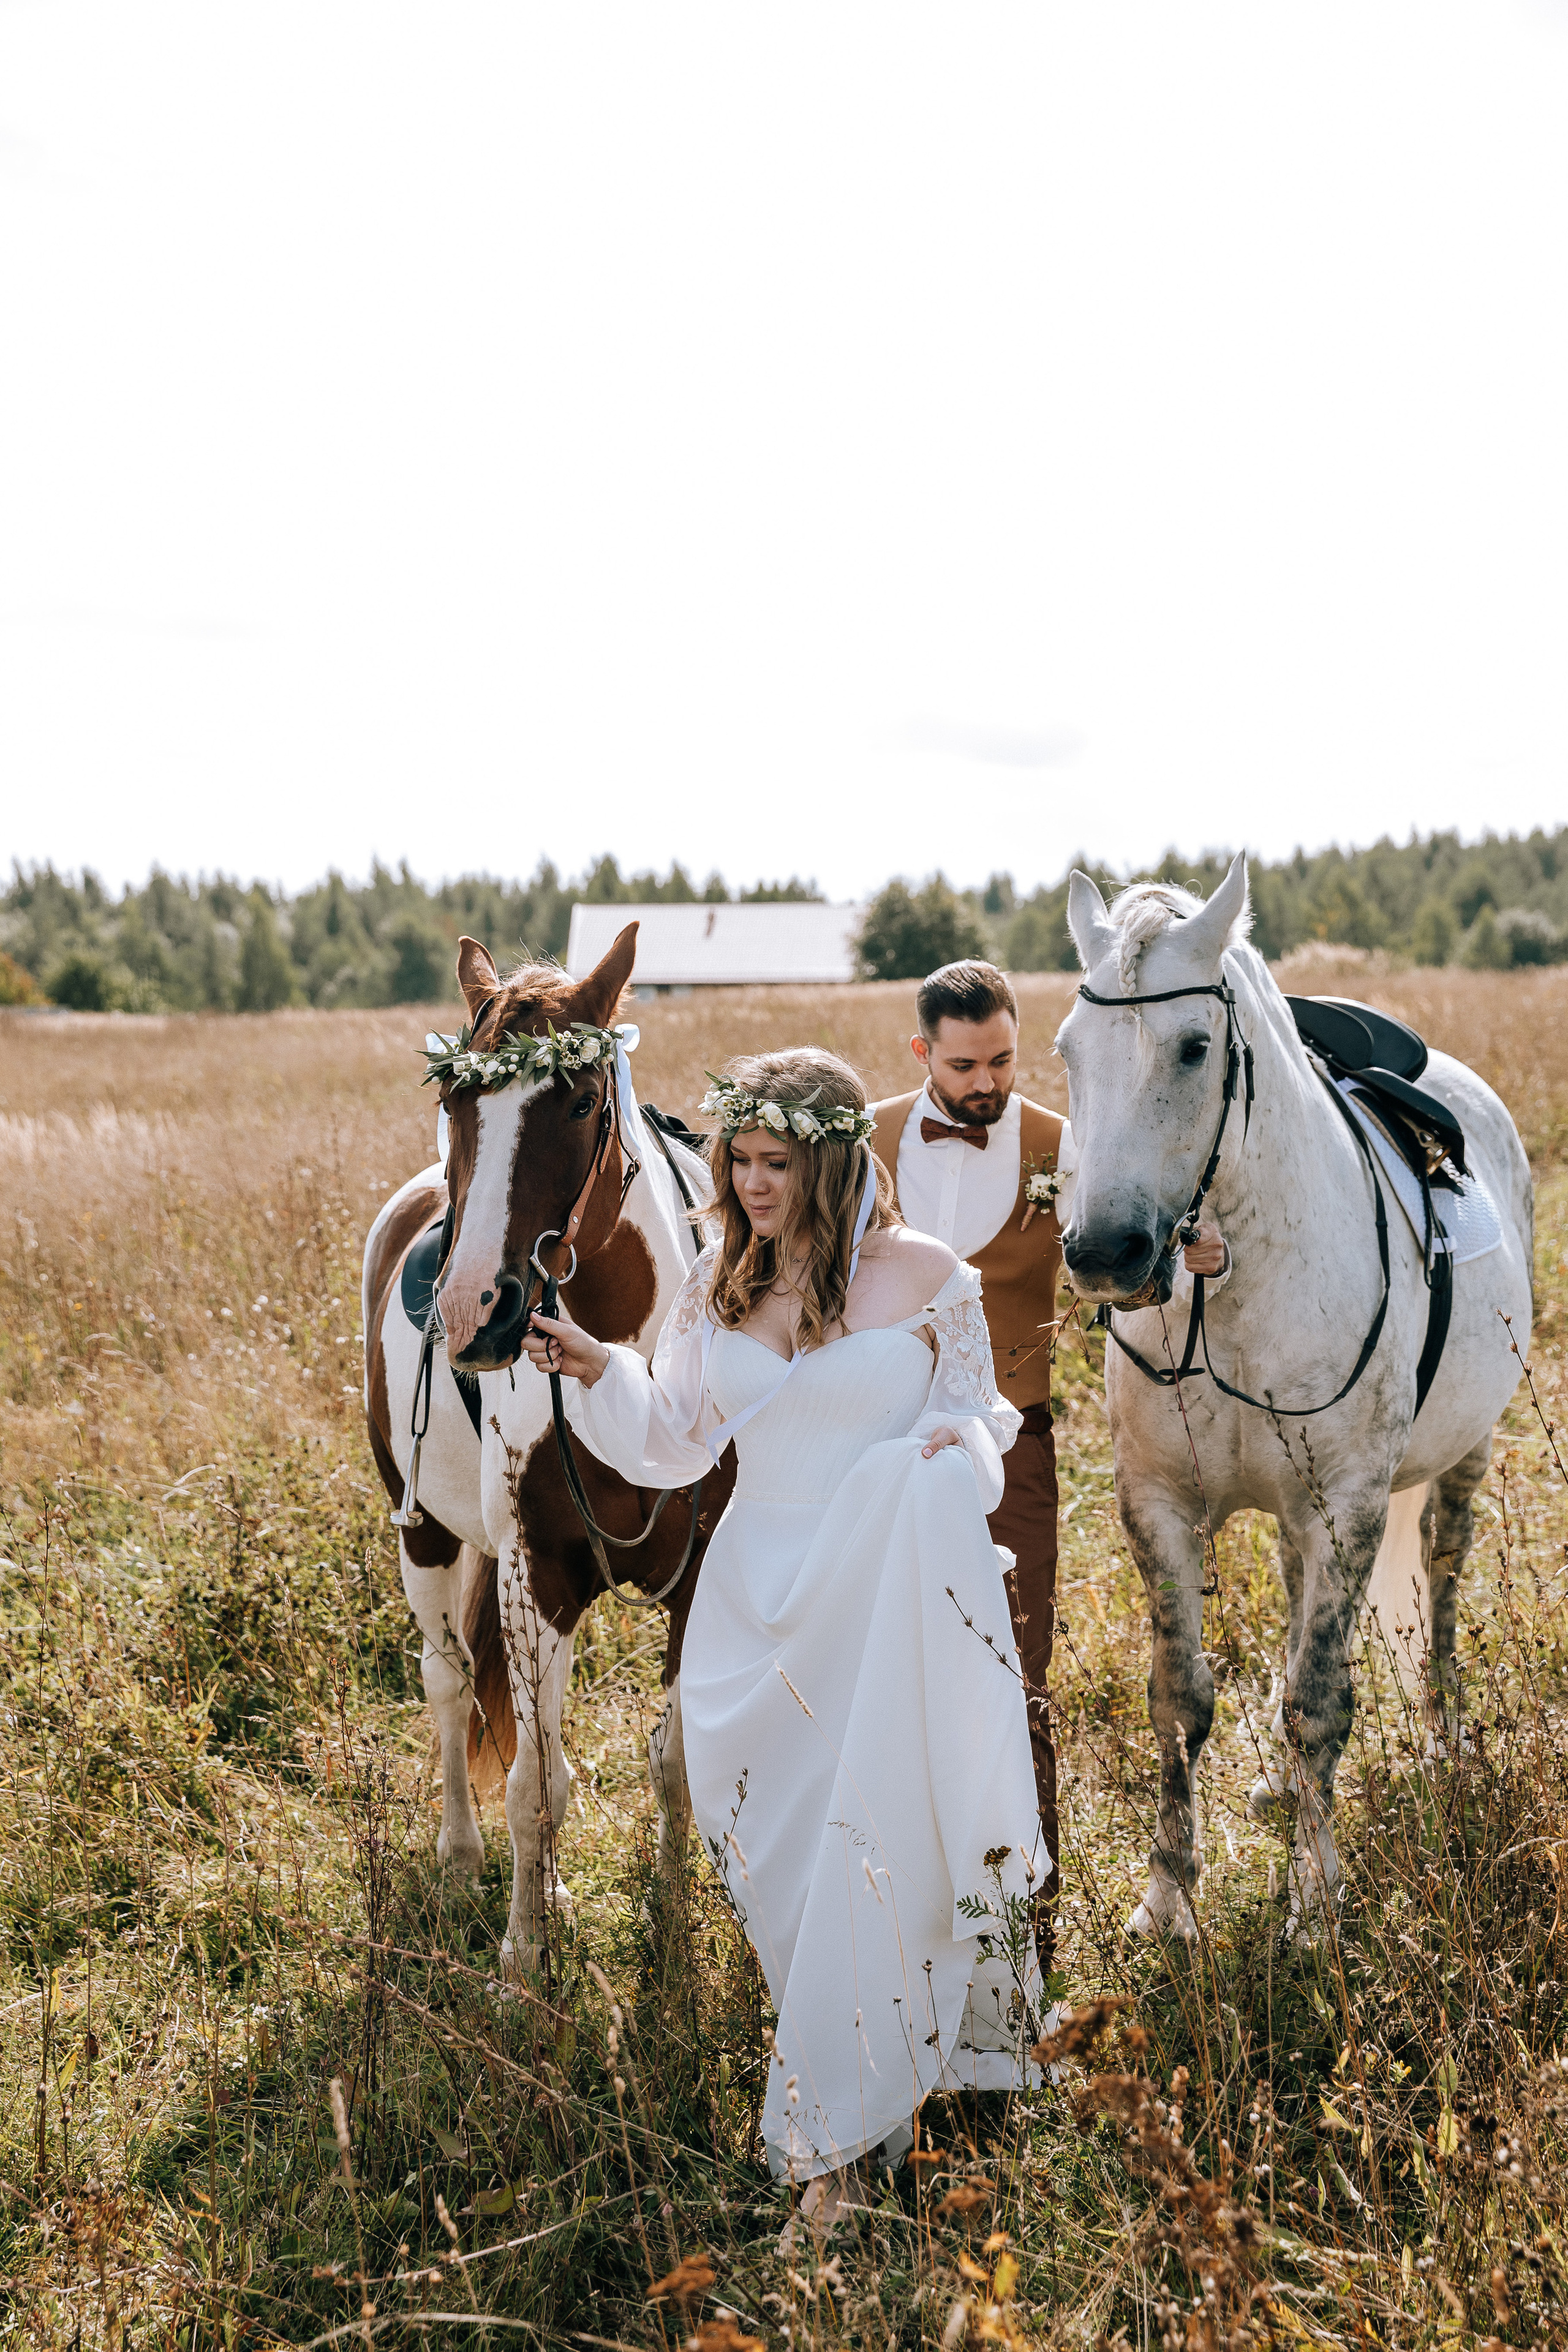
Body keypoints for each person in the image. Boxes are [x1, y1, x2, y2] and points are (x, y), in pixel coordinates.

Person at [522, 1047, 1043, 2232]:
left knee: (877, 1851)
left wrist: (941, 1460)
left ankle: (838, 2156)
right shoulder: (718, 1279)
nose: (754, 1185)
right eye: (739, 1161)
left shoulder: (928, 1277)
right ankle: (863, 2087)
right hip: (752, 1605)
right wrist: (602, 1365)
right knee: (781, 1864)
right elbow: (673, 1444)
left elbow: (979, 1423)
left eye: (776, 1163)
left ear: (831, 1159)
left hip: (876, 1594)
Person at [871, 961, 1227, 1971]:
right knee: (889, 1677)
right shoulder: (865, 1140)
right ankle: (901, 1918)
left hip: (1013, 1454)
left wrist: (1194, 1260)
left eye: (1002, 1060)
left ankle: (1031, 1930)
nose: (986, 1083)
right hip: (880, 1451)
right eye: (963, 1064)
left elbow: (1130, 1276)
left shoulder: (1061, 1149)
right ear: (922, 1054)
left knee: (1016, 1678)